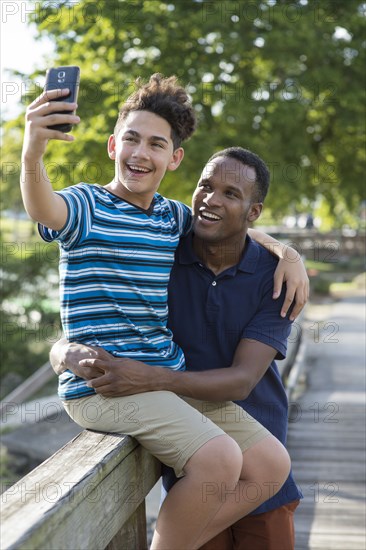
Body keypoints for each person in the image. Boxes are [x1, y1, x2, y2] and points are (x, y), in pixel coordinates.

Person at [20, 74, 296, 549]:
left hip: (162, 376)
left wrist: (288, 254)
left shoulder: (173, 217)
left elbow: (232, 226)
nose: (140, 154)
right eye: (131, 139)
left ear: (174, 158)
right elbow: (44, 208)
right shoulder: (87, 205)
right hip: (103, 384)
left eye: (156, 143)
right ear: (112, 145)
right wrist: (33, 153)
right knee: (219, 460)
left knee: (272, 465)